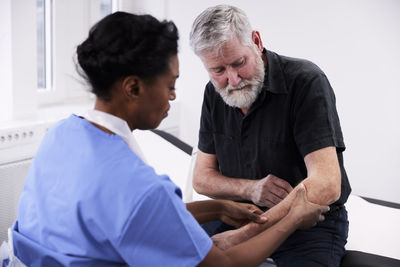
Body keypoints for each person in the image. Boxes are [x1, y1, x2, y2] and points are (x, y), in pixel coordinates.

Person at [10, 11, 328, 267]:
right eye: (171, 84)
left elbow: (127, 217)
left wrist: (215, 207)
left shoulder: (61, 135)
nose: (174, 96)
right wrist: (293, 217)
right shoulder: (140, 187)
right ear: (133, 88)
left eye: (238, 63)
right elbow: (221, 262)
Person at [190, 4, 351, 267]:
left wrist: (244, 235)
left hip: (310, 225)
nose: (232, 80)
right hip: (238, 214)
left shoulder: (306, 81)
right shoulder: (213, 94)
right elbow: (202, 179)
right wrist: (249, 189)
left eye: (239, 63)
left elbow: (327, 183)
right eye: (218, 70)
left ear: (256, 41)